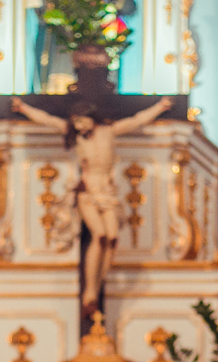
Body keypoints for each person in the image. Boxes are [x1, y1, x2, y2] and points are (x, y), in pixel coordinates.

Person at [11, 96, 173, 316]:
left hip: (107, 190)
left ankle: (98, 283)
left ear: (91, 117)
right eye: (76, 122)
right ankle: (90, 291)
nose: (79, 126)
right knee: (99, 235)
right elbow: (46, 120)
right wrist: (23, 108)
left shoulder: (109, 131)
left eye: (82, 121)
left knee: (113, 237)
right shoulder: (77, 137)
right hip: (87, 190)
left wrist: (160, 107)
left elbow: (137, 120)